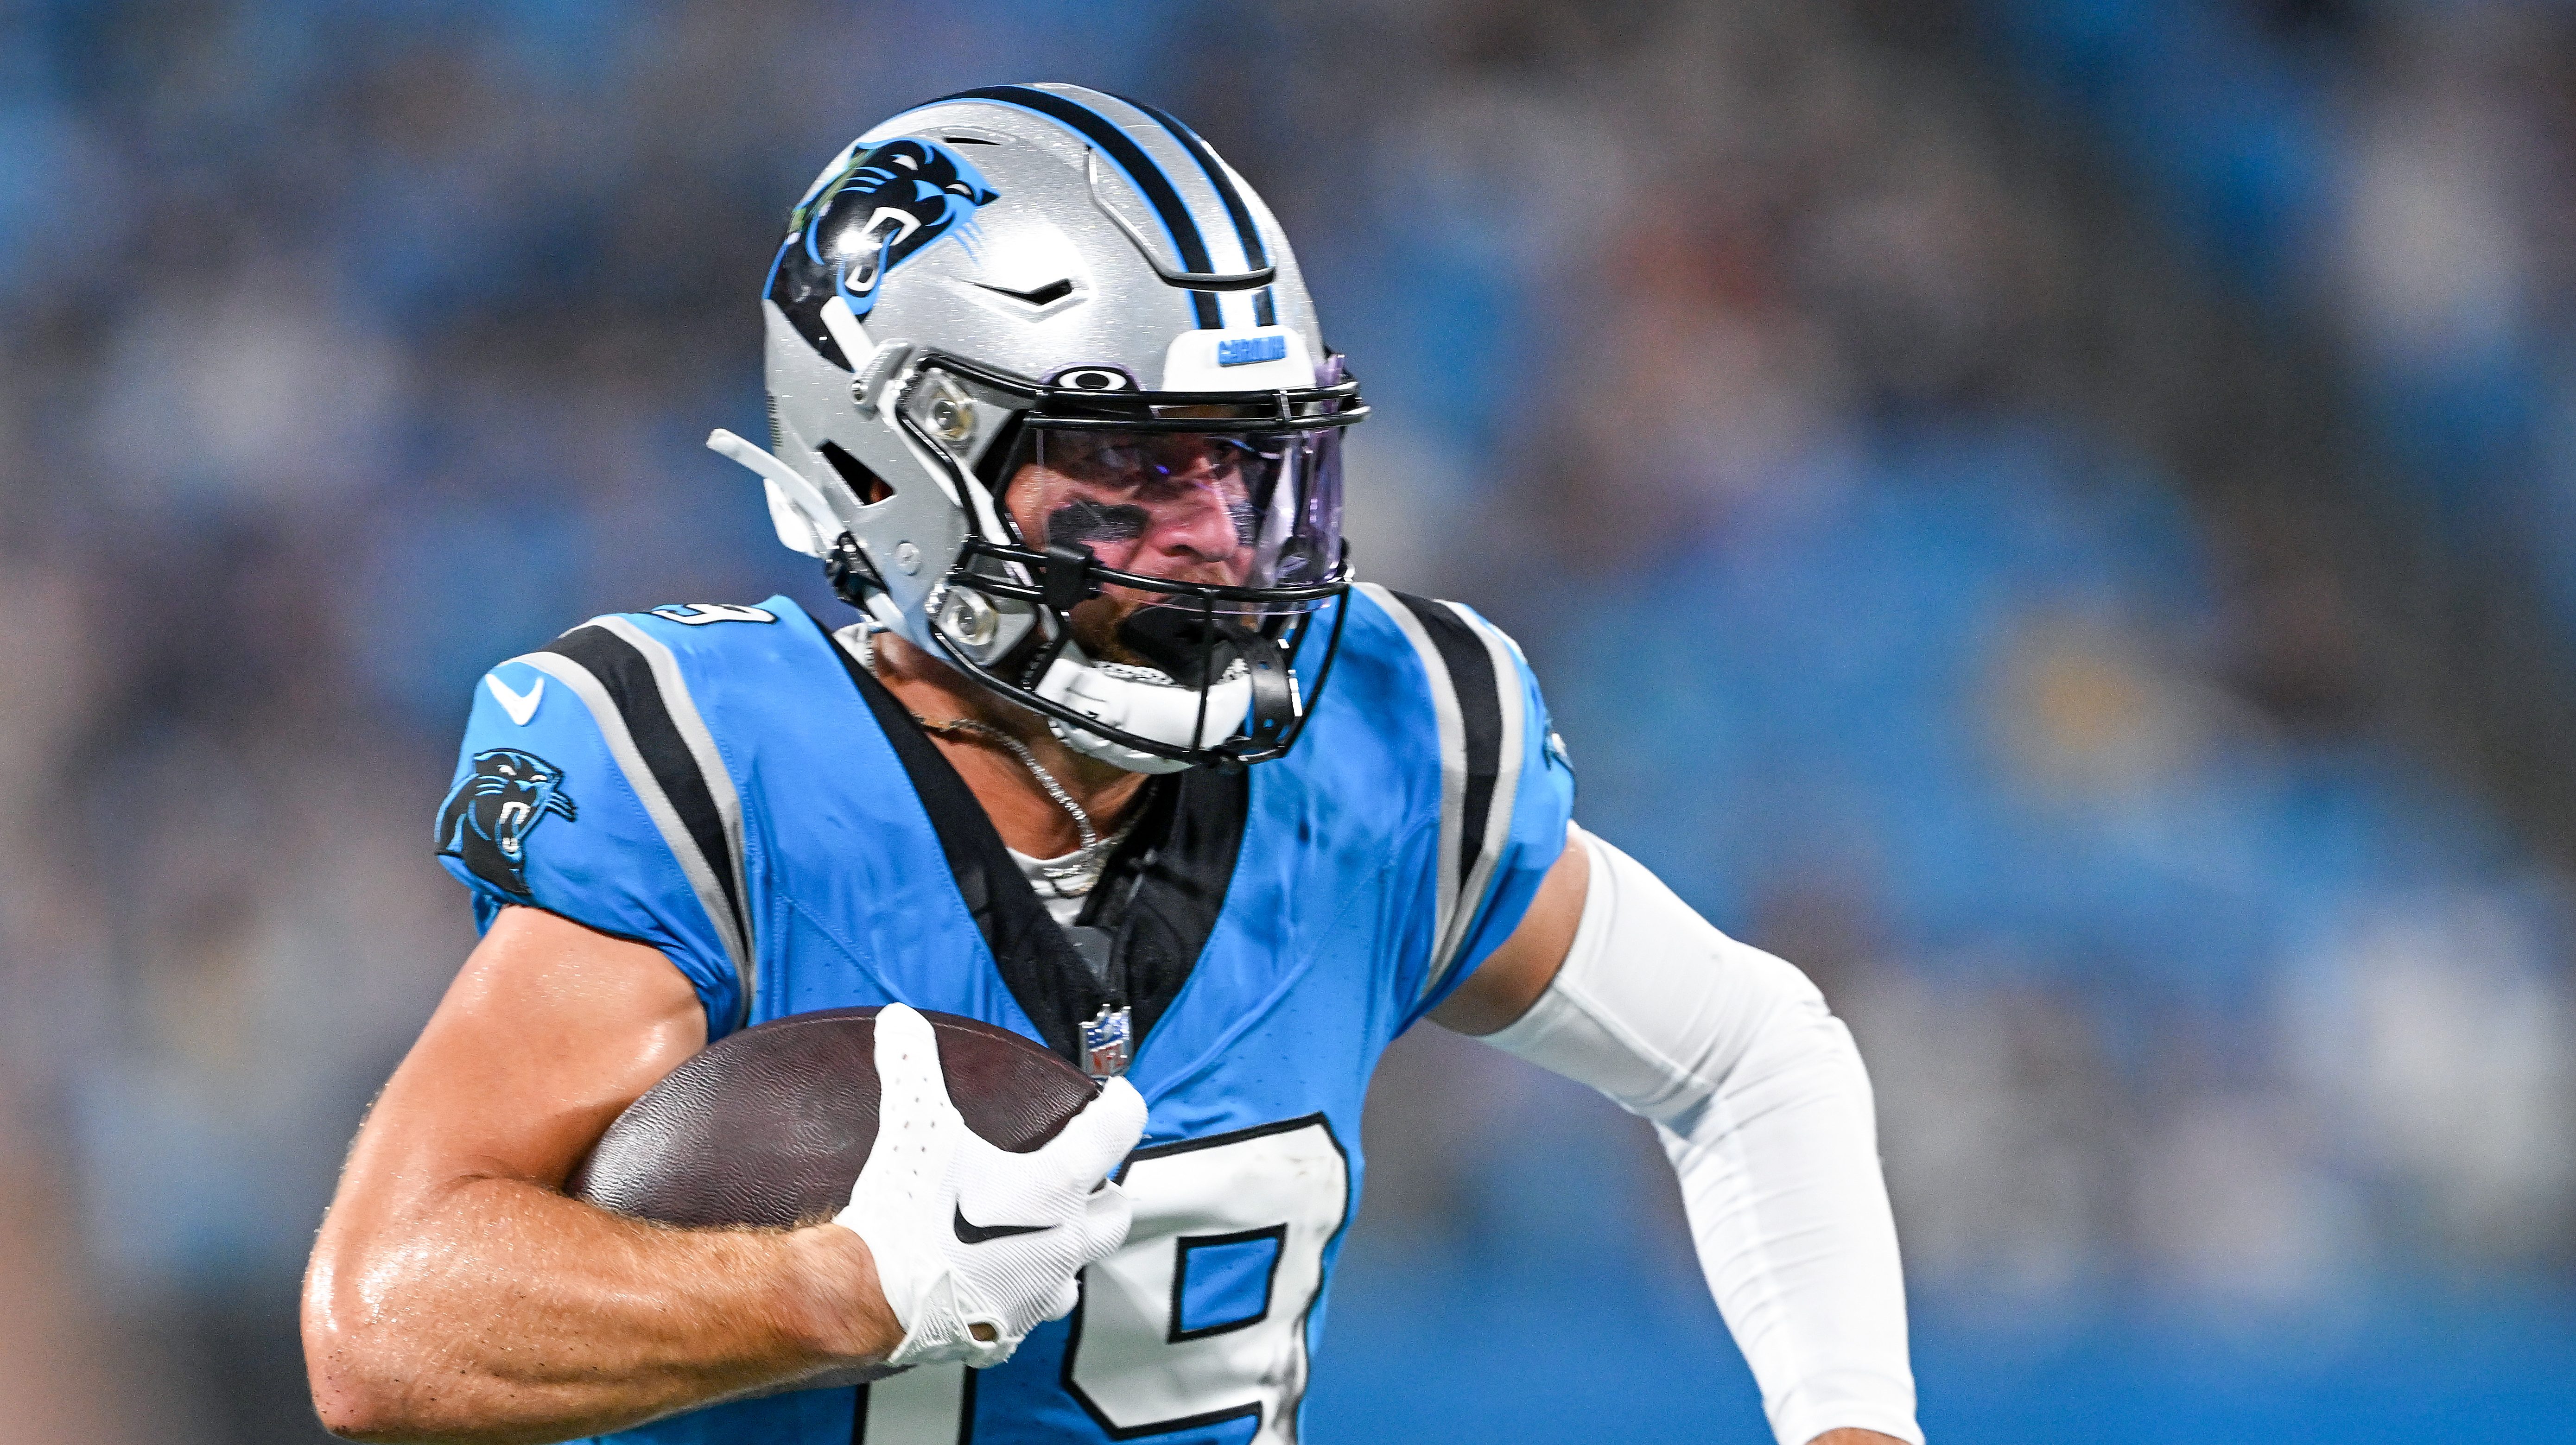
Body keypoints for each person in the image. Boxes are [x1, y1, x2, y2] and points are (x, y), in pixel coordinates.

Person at [302, 83, 1923, 1445]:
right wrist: (825, 1290)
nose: (1221, 538)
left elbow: (1752, 1056)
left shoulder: (1379, 739)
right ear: (900, 457)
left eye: (1251, 462)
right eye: (1139, 465)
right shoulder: (728, 779)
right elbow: (380, 1323)